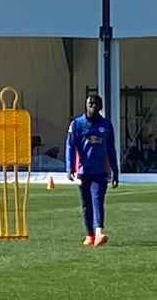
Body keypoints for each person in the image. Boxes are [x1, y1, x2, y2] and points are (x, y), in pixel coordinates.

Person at [65, 94, 119, 246]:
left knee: (98, 200)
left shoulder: (106, 125)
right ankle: (89, 235)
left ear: (100, 107)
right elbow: (70, 146)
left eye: (96, 104)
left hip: (101, 171)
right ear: (86, 105)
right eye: (91, 103)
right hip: (82, 171)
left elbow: (111, 149)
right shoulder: (76, 124)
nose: (93, 106)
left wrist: (115, 170)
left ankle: (99, 232)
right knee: (86, 203)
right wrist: (69, 167)